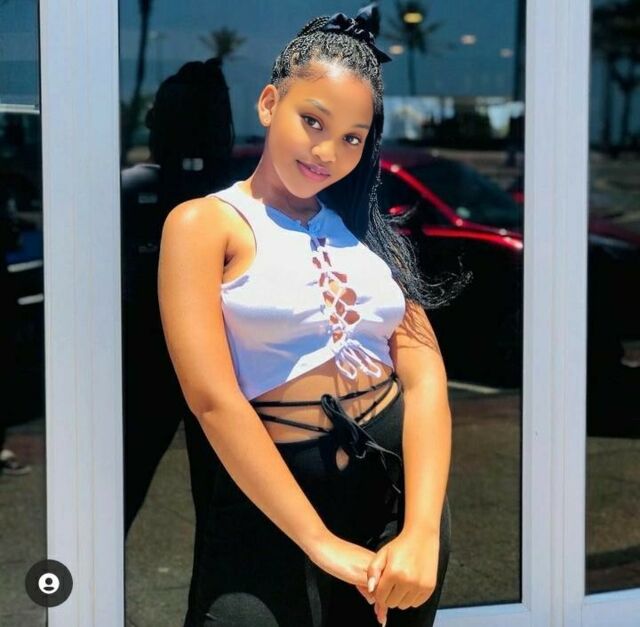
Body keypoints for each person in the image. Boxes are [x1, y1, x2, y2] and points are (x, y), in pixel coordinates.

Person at [158, 6, 456, 626]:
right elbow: (212, 400)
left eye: (352, 137)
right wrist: (319, 543)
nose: (328, 151)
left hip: (395, 498)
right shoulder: (204, 224)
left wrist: (423, 529)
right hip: (270, 503)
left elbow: (426, 377)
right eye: (312, 121)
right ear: (270, 104)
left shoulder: (367, 228)